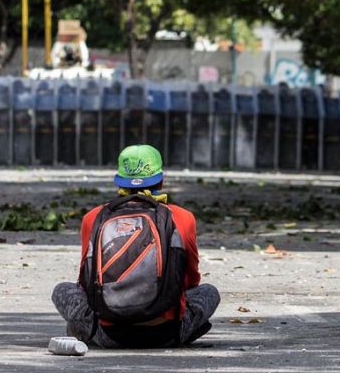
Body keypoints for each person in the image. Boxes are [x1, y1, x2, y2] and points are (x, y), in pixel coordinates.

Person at [52, 144, 220, 348]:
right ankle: (186, 331)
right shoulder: (182, 218)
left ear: (118, 182)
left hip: (109, 335)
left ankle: (83, 332)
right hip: (166, 333)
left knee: (61, 289)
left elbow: (85, 283)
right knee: (209, 291)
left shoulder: (93, 217)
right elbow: (191, 279)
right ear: (160, 180)